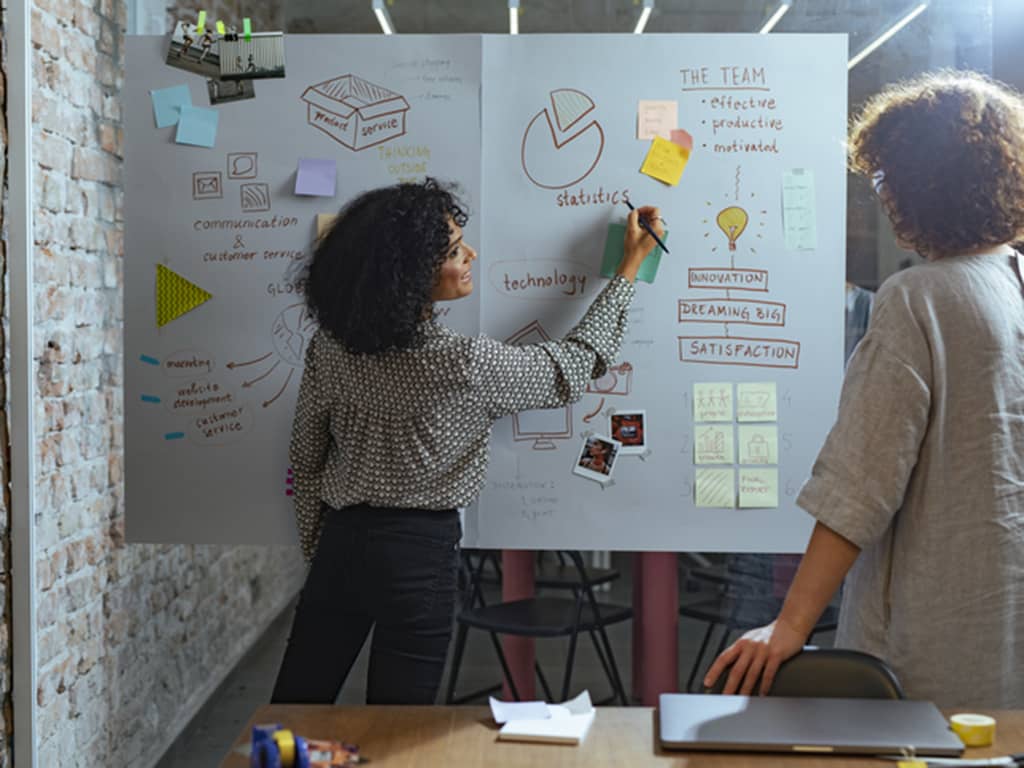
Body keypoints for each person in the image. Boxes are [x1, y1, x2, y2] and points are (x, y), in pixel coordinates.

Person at [271, 178, 662, 705]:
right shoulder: (466, 363)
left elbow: (306, 455)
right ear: (411, 276)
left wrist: (319, 546)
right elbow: (573, 366)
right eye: (456, 250)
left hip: (342, 541)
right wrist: (627, 270)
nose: (471, 254)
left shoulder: (331, 347)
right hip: (418, 553)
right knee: (400, 730)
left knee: (298, 707)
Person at [705, 71, 1024, 708]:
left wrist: (790, 625)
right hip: (1008, 626)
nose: (883, 197)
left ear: (922, 183)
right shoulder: (1014, 281)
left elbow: (862, 480)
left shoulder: (920, 298)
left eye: (885, 179)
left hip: (932, 637)